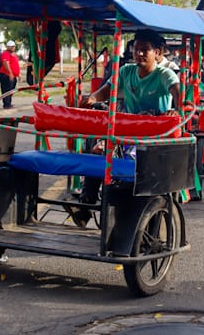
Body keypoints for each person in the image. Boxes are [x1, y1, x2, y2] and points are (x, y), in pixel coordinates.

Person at [76, 30, 180, 243]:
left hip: (154, 137)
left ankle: (135, 216)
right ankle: (87, 204)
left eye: (145, 50)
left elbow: (177, 91)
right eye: (136, 49)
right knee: (98, 150)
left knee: (133, 166)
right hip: (127, 132)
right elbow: (107, 90)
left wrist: (177, 107)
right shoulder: (126, 71)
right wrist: (92, 98)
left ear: (157, 53)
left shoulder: (164, 74)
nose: (140, 53)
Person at [0, 40, 20, 109]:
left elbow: (15, 65)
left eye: (14, 46)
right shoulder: (5, 53)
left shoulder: (13, 54)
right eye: (12, 46)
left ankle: (9, 103)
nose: (13, 48)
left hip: (12, 75)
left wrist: (18, 74)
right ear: (8, 47)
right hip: (6, 75)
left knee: (11, 90)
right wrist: (10, 74)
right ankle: (6, 104)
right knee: (6, 90)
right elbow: (5, 63)